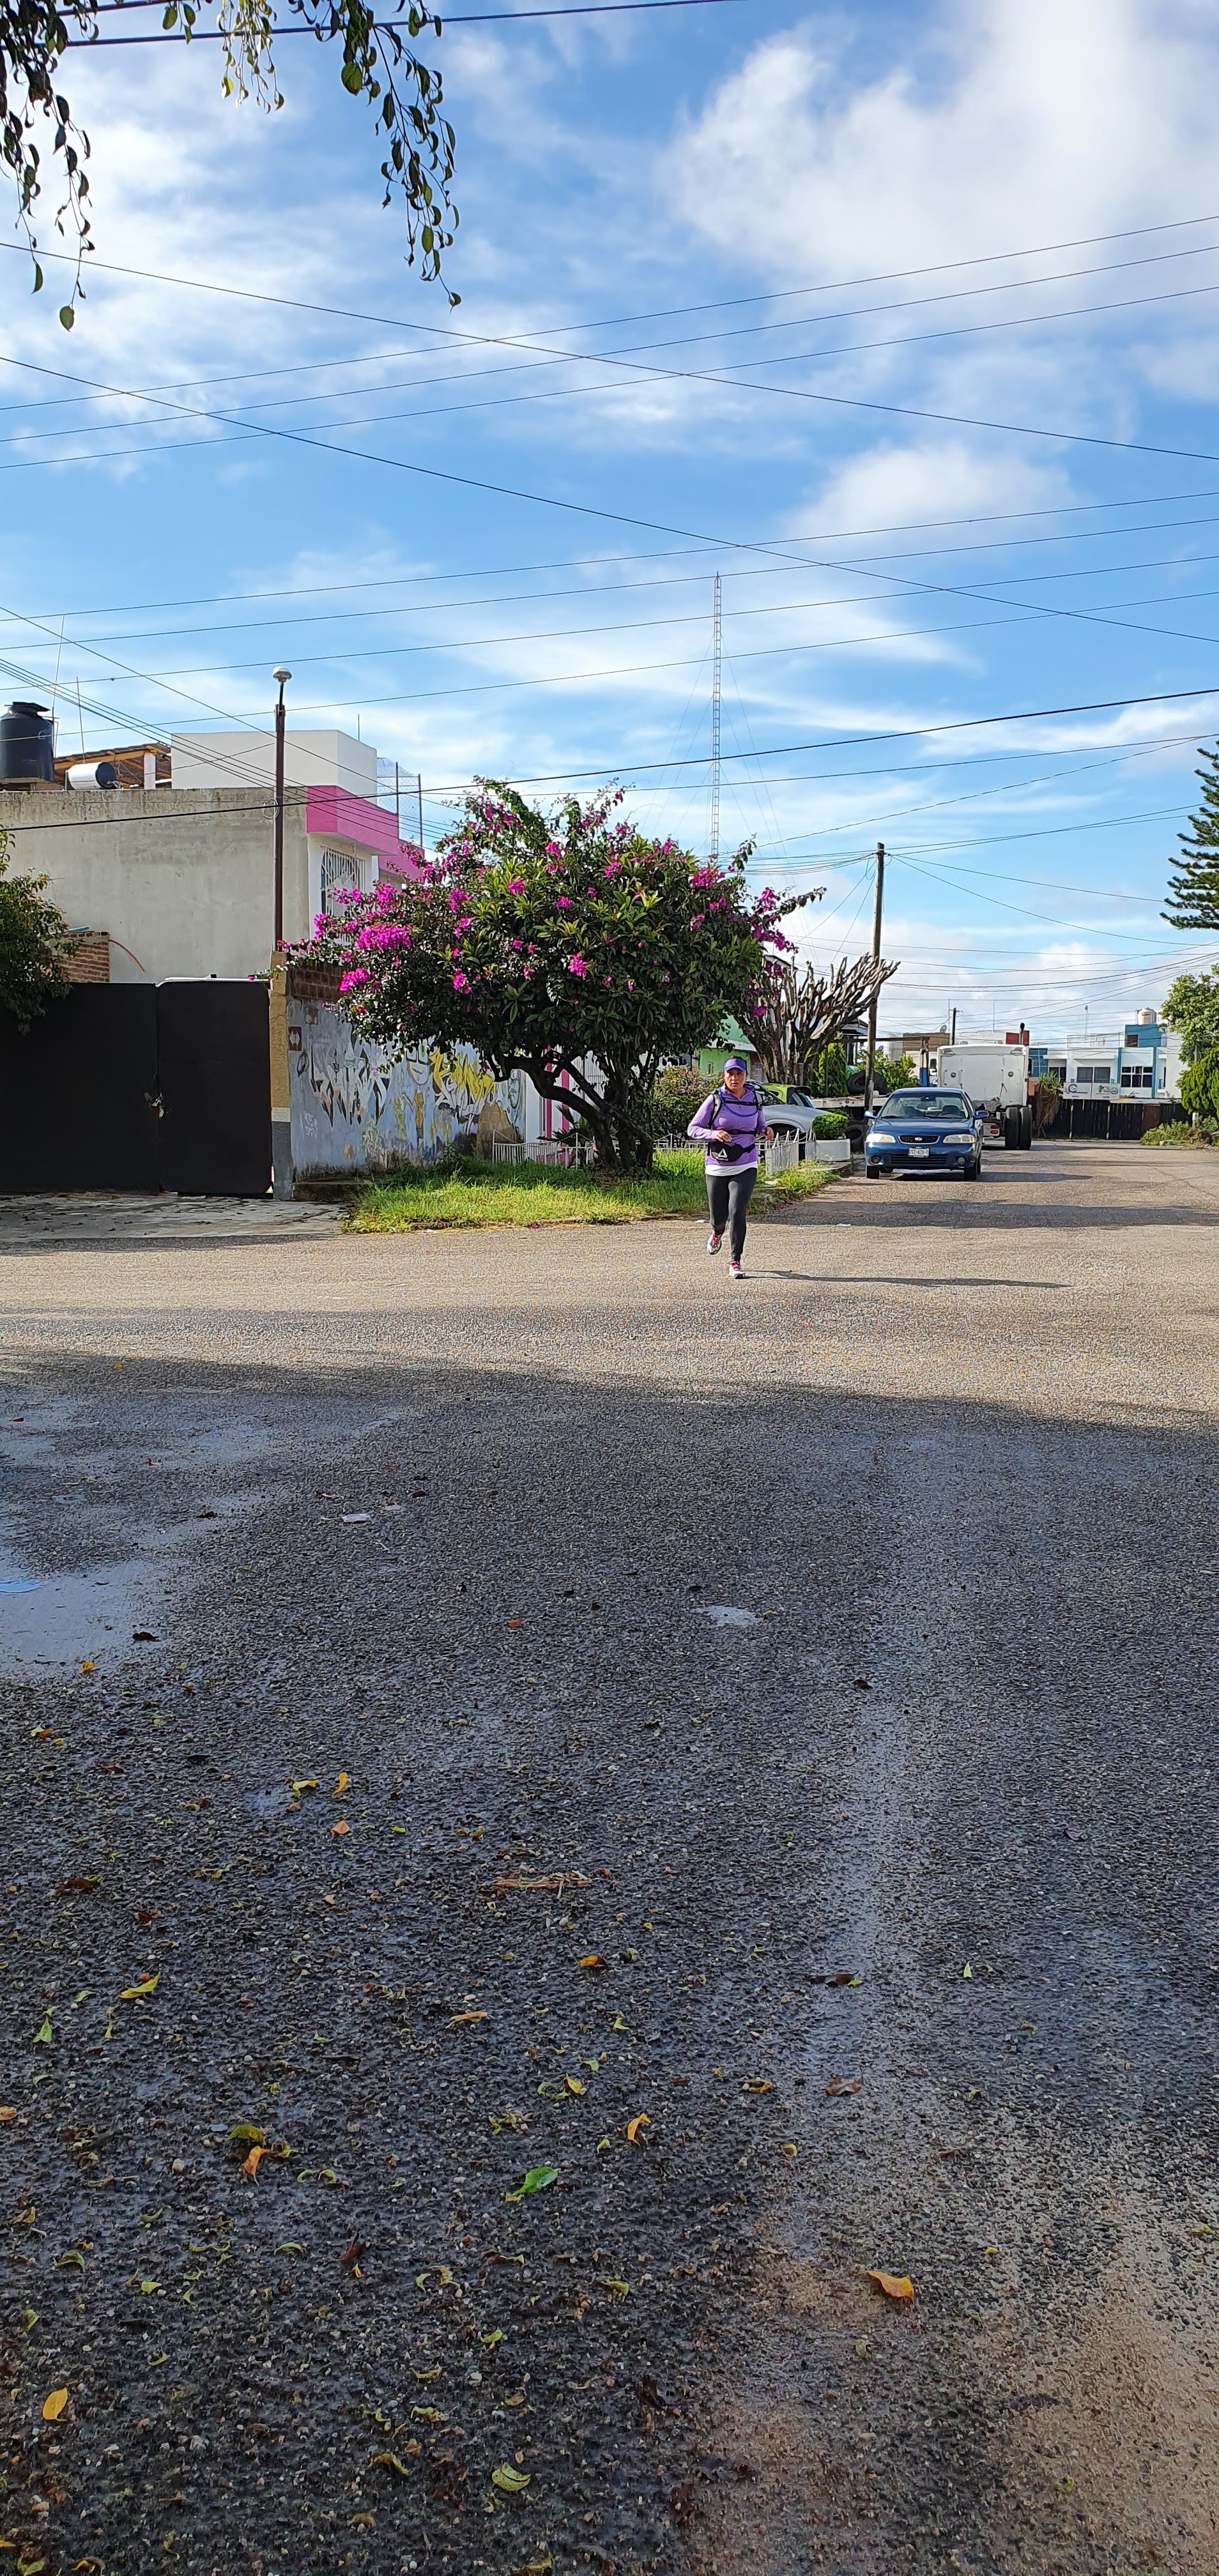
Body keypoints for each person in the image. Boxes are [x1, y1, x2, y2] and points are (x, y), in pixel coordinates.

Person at [687, 1056, 774, 1280]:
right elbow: (693, 1129)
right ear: (724, 1076)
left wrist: (765, 1131)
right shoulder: (715, 1100)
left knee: (737, 1211)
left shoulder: (754, 1099)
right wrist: (713, 1133)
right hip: (717, 1165)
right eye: (730, 1074)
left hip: (746, 1162)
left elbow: (758, 1125)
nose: (734, 1078)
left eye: (739, 1074)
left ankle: (735, 1260)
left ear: (746, 1076)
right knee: (718, 1217)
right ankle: (717, 1232)